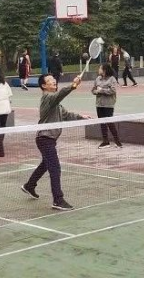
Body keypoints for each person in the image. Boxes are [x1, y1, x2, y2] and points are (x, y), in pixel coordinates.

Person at [20, 74, 91, 210]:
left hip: (49, 139)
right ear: (43, 86)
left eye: (53, 79)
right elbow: (61, 94)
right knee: (55, 168)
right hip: (45, 139)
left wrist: (81, 117)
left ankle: (29, 185)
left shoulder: (56, 104)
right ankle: (58, 200)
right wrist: (73, 85)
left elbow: (66, 115)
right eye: (50, 80)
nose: (53, 81)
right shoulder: (47, 98)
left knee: (45, 165)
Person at [92, 63, 122, 149]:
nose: (99, 70)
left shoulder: (112, 79)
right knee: (102, 123)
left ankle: (117, 141)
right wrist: (96, 91)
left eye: (100, 68)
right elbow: (93, 90)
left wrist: (101, 90)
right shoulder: (98, 79)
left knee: (110, 122)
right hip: (99, 104)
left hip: (108, 104)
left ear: (104, 70)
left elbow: (112, 90)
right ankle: (105, 141)